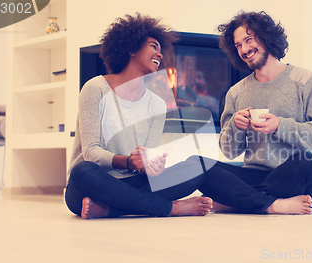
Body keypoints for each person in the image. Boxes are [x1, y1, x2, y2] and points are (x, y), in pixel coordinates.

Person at [64, 13, 213, 219]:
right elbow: (90, 152)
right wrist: (128, 162)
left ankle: (111, 210)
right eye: (153, 46)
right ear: (132, 48)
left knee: (195, 167)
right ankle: (170, 208)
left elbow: (145, 163)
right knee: (82, 170)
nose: (160, 55)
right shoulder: (95, 88)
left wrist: (150, 167)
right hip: (92, 183)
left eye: (161, 51)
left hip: (129, 182)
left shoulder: (157, 104)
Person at [198, 11, 312, 215]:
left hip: (295, 177)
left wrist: (280, 126)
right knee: (196, 165)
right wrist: (236, 126)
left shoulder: (305, 80)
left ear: (266, 37)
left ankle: (236, 202)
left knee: (307, 161)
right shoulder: (236, 93)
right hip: (254, 175)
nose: (244, 49)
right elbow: (229, 151)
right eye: (238, 45)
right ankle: (272, 205)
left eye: (248, 40)